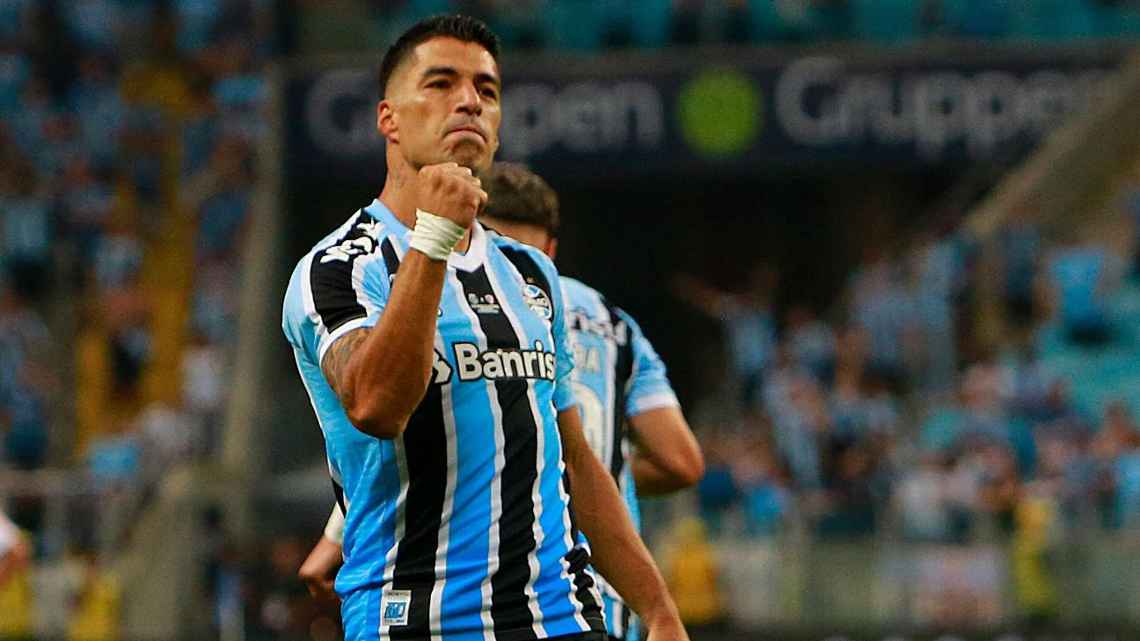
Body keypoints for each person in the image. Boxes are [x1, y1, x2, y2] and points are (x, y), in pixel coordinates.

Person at [282, 15, 688, 641]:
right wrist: (434, 236)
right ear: (389, 118)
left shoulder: (531, 273)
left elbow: (575, 459)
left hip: (558, 614)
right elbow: (377, 405)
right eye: (441, 83)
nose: (469, 101)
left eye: (487, 90)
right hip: (418, 616)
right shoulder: (339, 267)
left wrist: (657, 608)